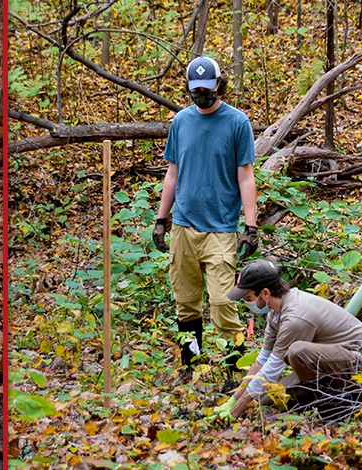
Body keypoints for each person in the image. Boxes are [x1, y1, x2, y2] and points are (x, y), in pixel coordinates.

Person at [151, 56, 258, 379]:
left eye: (207, 89)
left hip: (220, 229)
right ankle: (190, 364)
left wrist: (250, 227)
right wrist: (161, 219)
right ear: (188, 89)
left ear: (219, 85)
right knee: (186, 304)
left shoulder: (237, 123)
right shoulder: (181, 122)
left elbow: (246, 177)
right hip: (183, 226)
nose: (202, 95)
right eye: (196, 90)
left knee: (223, 304)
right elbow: (172, 173)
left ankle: (235, 371)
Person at [223, 259, 362, 420]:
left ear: (265, 293)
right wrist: (233, 400)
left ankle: (339, 397)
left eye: (248, 298)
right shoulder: (275, 313)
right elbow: (262, 360)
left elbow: (272, 370)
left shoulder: (295, 317)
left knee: (297, 352)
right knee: (268, 399)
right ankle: (321, 391)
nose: (246, 303)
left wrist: (234, 412)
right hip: (331, 363)